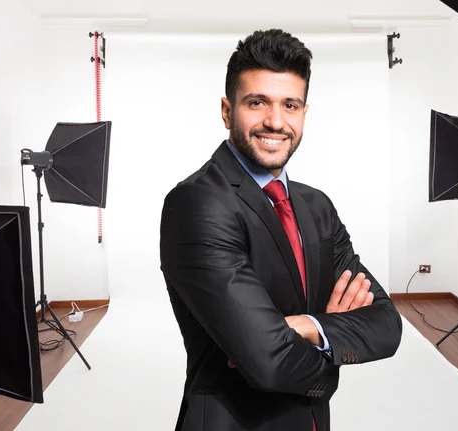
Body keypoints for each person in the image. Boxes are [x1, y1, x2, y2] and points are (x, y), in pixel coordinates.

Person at [160, 28, 403, 431]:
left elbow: (387, 324)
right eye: (257, 102)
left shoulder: (316, 206)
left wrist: (304, 326)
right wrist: (331, 357)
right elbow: (268, 362)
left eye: (290, 105)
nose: (275, 121)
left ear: (304, 113)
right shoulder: (197, 203)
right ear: (226, 110)